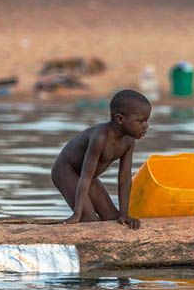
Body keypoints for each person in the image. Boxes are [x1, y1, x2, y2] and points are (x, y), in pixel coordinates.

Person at [52, 89, 151, 229]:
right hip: (65, 171)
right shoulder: (100, 138)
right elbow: (85, 176)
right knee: (90, 221)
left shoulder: (128, 141)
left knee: (114, 219)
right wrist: (77, 214)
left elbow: (124, 179)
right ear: (120, 119)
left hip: (88, 177)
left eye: (147, 120)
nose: (146, 126)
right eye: (140, 121)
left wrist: (124, 214)